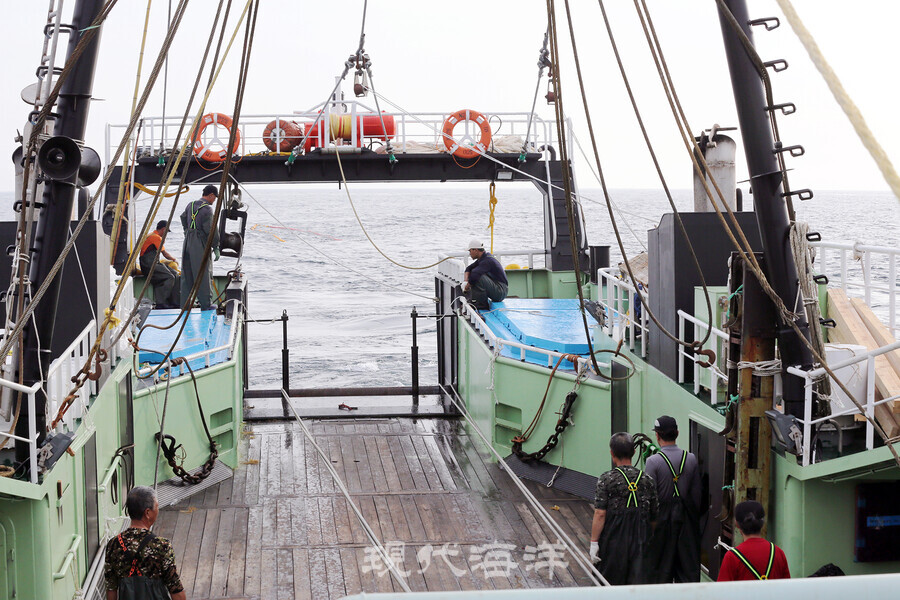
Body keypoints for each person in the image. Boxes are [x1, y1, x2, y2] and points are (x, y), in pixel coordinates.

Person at [590, 432, 659, 585]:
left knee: (609, 581)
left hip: (614, 540)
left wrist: (594, 542)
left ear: (611, 453)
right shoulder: (648, 480)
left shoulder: (606, 479)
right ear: (634, 452)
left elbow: (600, 513)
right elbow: (654, 516)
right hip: (641, 539)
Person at [644, 415, 701, 583]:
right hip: (686, 521)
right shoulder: (690, 459)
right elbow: (696, 496)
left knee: (661, 571)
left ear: (657, 436)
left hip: (662, 522)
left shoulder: (652, 462)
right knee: (688, 570)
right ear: (677, 433)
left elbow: (649, 499)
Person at [104, 486, 186, 599]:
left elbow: (111, 589)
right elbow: (175, 590)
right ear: (147, 512)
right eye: (156, 507)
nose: (158, 510)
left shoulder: (113, 545)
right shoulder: (162, 546)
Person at [717, 500, 790, 581]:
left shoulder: (731, 557)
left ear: (737, 524)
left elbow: (722, 591)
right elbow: (787, 589)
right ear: (763, 523)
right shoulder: (778, 553)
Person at [180, 184, 220, 310]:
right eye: (215, 198)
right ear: (211, 195)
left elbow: (182, 217)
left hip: (187, 242)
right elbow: (211, 230)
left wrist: (186, 230)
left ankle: (185, 304)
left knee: (187, 273)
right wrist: (216, 246)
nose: (214, 200)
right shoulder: (207, 209)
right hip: (199, 243)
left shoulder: (190, 205)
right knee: (203, 272)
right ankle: (206, 304)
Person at [139, 220, 180, 309]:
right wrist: (174, 259)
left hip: (153, 263)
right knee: (169, 277)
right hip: (148, 265)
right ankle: (161, 303)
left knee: (175, 274)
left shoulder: (152, 235)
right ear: (163, 229)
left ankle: (175, 302)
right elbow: (164, 254)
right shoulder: (156, 237)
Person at [462, 239, 508, 309]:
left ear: (476, 250)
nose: (469, 253)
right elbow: (469, 268)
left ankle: (481, 304)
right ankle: (478, 301)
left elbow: (475, 274)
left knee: (477, 276)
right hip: (499, 288)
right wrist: (465, 281)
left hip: (501, 291)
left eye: (470, 251)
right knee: (475, 273)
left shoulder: (487, 261)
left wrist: (467, 287)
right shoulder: (483, 258)